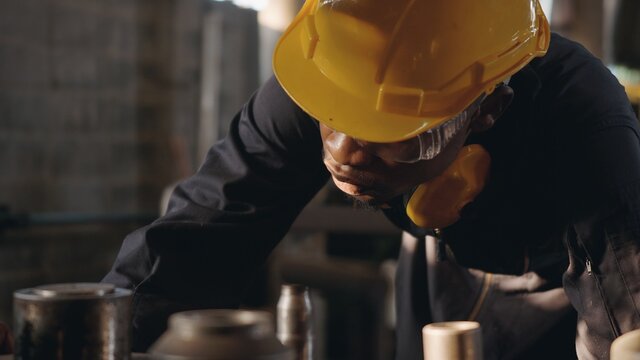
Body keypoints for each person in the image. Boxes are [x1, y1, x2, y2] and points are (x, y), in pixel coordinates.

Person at [104, 0, 640, 359]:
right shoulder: (328, 74)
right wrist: (91, 331)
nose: (344, 153)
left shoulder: (587, 135)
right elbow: (202, 231)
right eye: (334, 118)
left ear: (487, 109)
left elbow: (627, 329)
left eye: (390, 130)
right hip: (437, 260)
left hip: (563, 282)